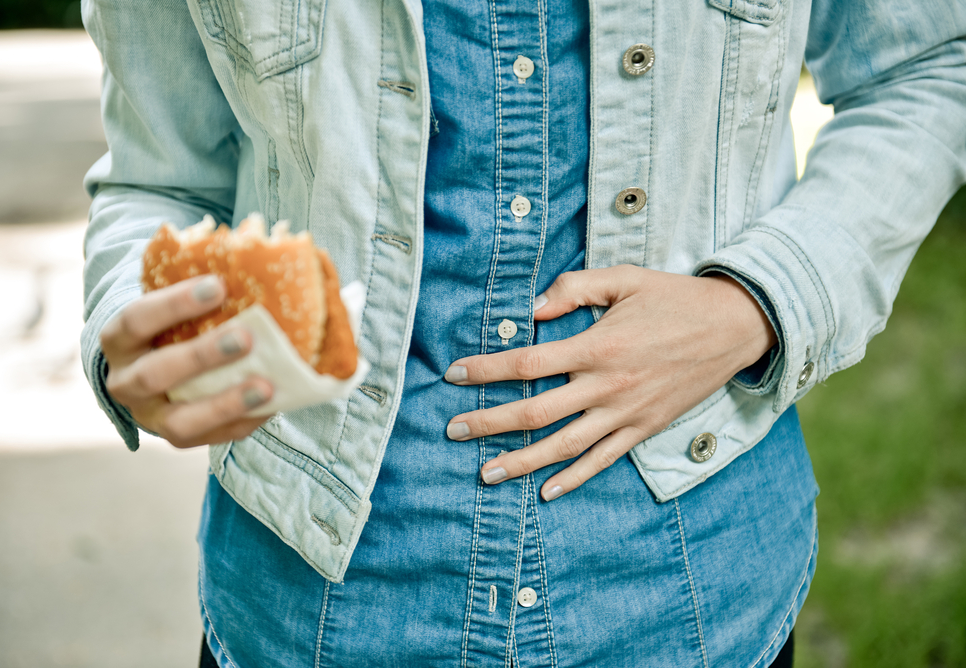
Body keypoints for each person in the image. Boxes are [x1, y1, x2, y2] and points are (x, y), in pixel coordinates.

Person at [80, 0, 966, 665]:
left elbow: (930, 66)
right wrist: (141, 331)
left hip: (690, 600)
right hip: (312, 616)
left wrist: (756, 301)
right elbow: (160, 181)